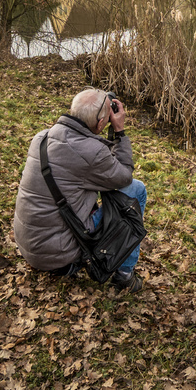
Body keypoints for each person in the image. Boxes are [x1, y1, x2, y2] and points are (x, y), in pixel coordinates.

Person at [13, 88, 146, 293]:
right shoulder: (91, 152)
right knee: (136, 189)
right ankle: (124, 275)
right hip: (59, 255)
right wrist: (119, 131)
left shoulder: (42, 137)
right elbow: (123, 177)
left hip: (30, 246)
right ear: (101, 123)